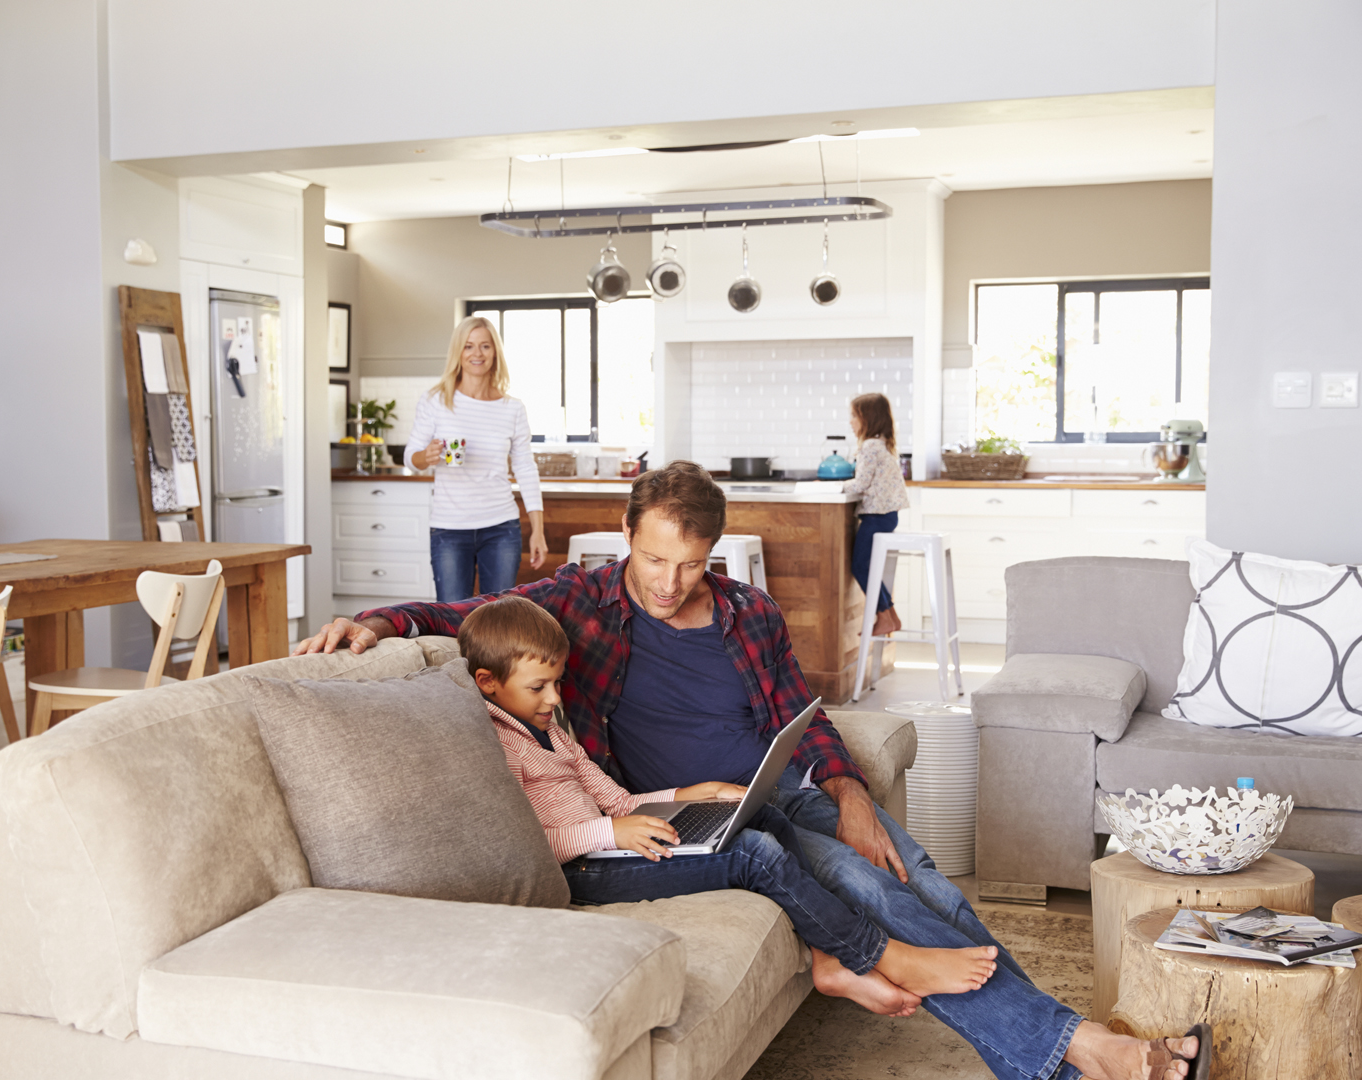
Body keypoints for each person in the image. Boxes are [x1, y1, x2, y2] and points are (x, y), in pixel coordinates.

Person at [294, 460, 1207, 1080]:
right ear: (626, 537)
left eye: (688, 564)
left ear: (713, 555)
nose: (667, 582)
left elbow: (794, 718)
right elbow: (470, 613)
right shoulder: (580, 600)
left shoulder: (748, 614)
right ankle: (1097, 1051)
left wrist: (845, 787)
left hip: (786, 795)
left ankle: (1067, 1050)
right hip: (703, 818)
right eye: (653, 559)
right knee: (881, 897)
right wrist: (379, 621)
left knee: (919, 882)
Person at [457, 593, 999, 1015]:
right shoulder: (497, 743)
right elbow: (526, 847)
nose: (555, 698)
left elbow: (618, 801)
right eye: (539, 687)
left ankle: (830, 961)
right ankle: (877, 955)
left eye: (557, 683)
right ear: (487, 682)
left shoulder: (548, 728)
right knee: (753, 855)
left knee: (761, 812)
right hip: (582, 872)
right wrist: (608, 834)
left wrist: (689, 796)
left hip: (613, 845)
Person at [404, 316, 547, 600]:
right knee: (451, 622)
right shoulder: (435, 401)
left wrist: (538, 530)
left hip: (501, 527)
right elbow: (410, 458)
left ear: (495, 352)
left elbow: (525, 469)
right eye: (468, 346)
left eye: (485, 346)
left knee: (497, 623)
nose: (477, 354)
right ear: (458, 352)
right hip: (449, 529)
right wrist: (426, 456)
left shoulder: (513, 408)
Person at [843, 392, 908, 637]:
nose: (850, 422)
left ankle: (884, 615)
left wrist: (836, 486)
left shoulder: (870, 446)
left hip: (876, 517)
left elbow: (860, 484)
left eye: (853, 416)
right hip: (886, 515)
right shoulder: (882, 444)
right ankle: (889, 616)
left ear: (867, 418)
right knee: (865, 566)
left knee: (860, 566)